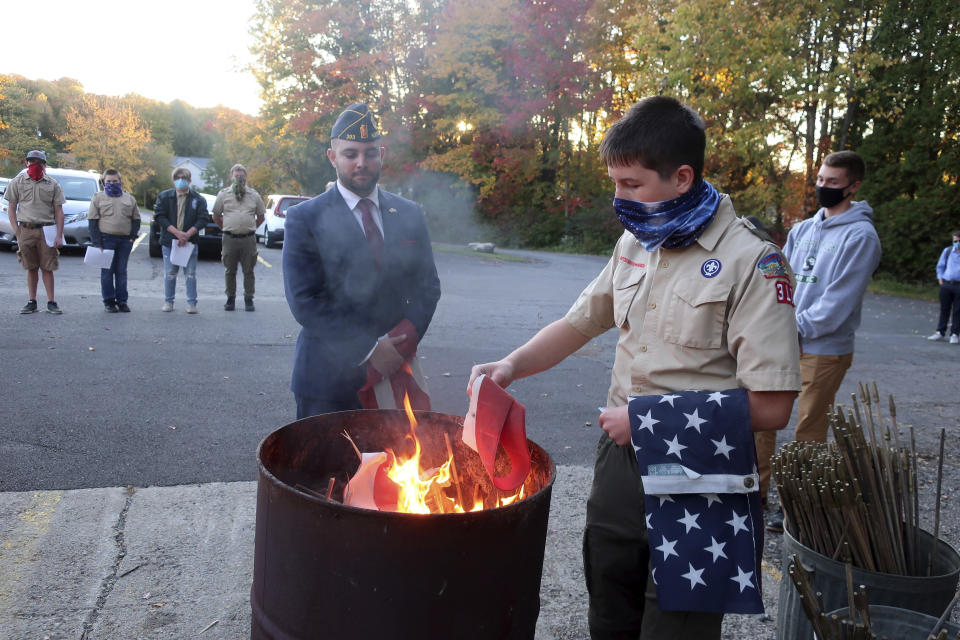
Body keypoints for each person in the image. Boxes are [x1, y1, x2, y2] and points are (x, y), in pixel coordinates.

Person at [468, 96, 800, 639]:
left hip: (702, 469)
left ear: (681, 178)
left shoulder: (752, 262)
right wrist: (510, 365)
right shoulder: (638, 241)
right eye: (614, 182)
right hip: (621, 461)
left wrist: (648, 421)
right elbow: (580, 322)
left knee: (679, 628)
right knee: (611, 605)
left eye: (630, 184)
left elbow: (774, 406)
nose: (617, 197)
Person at [283, 103, 441, 419]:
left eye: (370, 153)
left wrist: (398, 347)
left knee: (397, 467)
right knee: (325, 469)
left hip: (395, 374)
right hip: (327, 383)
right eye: (350, 154)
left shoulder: (409, 214)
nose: (361, 163)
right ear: (332, 157)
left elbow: (428, 288)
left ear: (381, 153)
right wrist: (369, 349)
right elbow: (305, 301)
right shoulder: (305, 218)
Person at [760, 150, 882, 533]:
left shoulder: (861, 236)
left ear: (853, 186)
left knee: (808, 430)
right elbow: (783, 282)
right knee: (762, 417)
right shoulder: (802, 230)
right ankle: (755, 493)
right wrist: (778, 325)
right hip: (785, 339)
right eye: (820, 180)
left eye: (833, 182)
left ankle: (795, 505)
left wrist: (796, 329)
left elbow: (838, 303)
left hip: (824, 348)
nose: (823, 187)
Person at [3, 150, 66, 314]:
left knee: (48, 267)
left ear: (44, 165)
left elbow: (59, 211)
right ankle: (32, 301)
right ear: (26, 163)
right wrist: (17, 230)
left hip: (47, 230)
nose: (35, 165)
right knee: (30, 267)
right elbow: (11, 207)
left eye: (39, 162)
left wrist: (59, 235)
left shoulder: (52, 184)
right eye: (31, 161)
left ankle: (51, 302)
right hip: (26, 229)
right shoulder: (17, 182)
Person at [153, 167, 210, 314]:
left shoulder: (198, 199)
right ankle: (168, 301)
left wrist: (187, 234)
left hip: (190, 242)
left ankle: (192, 303)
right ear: (173, 180)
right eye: (177, 178)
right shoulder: (164, 197)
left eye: (184, 178)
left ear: (189, 180)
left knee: (190, 274)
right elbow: (159, 216)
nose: (180, 180)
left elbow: (203, 218)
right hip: (169, 241)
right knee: (170, 274)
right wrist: (177, 233)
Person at [212, 163, 265, 311]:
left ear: (246, 178)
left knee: (249, 270)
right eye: (236, 176)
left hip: (248, 239)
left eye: (242, 176)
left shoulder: (254, 195)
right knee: (230, 270)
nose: (239, 179)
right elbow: (216, 216)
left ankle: (249, 299)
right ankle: (230, 299)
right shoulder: (223, 194)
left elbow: (261, 216)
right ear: (231, 177)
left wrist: (250, 227)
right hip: (230, 239)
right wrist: (227, 228)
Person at [88, 169, 141, 312]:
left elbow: (136, 219)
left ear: (120, 181)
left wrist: (132, 238)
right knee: (107, 272)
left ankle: (122, 301)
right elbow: (92, 221)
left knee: (121, 271)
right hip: (106, 239)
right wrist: (97, 243)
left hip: (125, 241)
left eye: (115, 181)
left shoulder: (129, 199)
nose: (112, 183)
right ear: (104, 183)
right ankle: (109, 302)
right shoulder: (98, 198)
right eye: (109, 181)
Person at [927, 231, 960, 344]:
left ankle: (955, 333)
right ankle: (940, 332)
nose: (957, 243)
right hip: (947, 284)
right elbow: (940, 266)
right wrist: (940, 278)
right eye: (955, 241)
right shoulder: (948, 251)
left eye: (958, 241)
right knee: (944, 309)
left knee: (958, 310)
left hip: (959, 285)